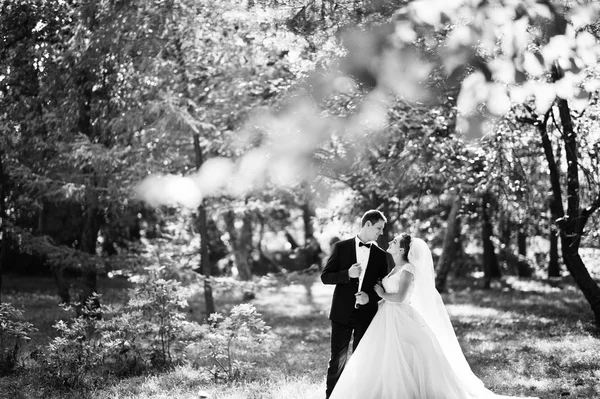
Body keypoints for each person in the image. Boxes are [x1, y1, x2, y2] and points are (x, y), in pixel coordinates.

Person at [328, 233, 539, 399]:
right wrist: (376, 297)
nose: (389, 241)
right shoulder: (394, 268)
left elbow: (400, 297)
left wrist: (382, 293)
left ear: (402, 249)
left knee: (404, 355)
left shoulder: (408, 269)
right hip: (384, 316)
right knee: (382, 356)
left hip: (400, 316)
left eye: (394, 241)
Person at [320, 209, 392, 399]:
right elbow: (325, 277)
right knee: (337, 360)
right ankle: (332, 396)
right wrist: (347, 275)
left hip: (366, 315)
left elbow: (384, 287)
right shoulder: (341, 247)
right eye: (379, 227)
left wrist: (370, 298)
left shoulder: (380, 255)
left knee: (363, 360)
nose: (381, 232)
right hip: (342, 313)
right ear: (367, 224)